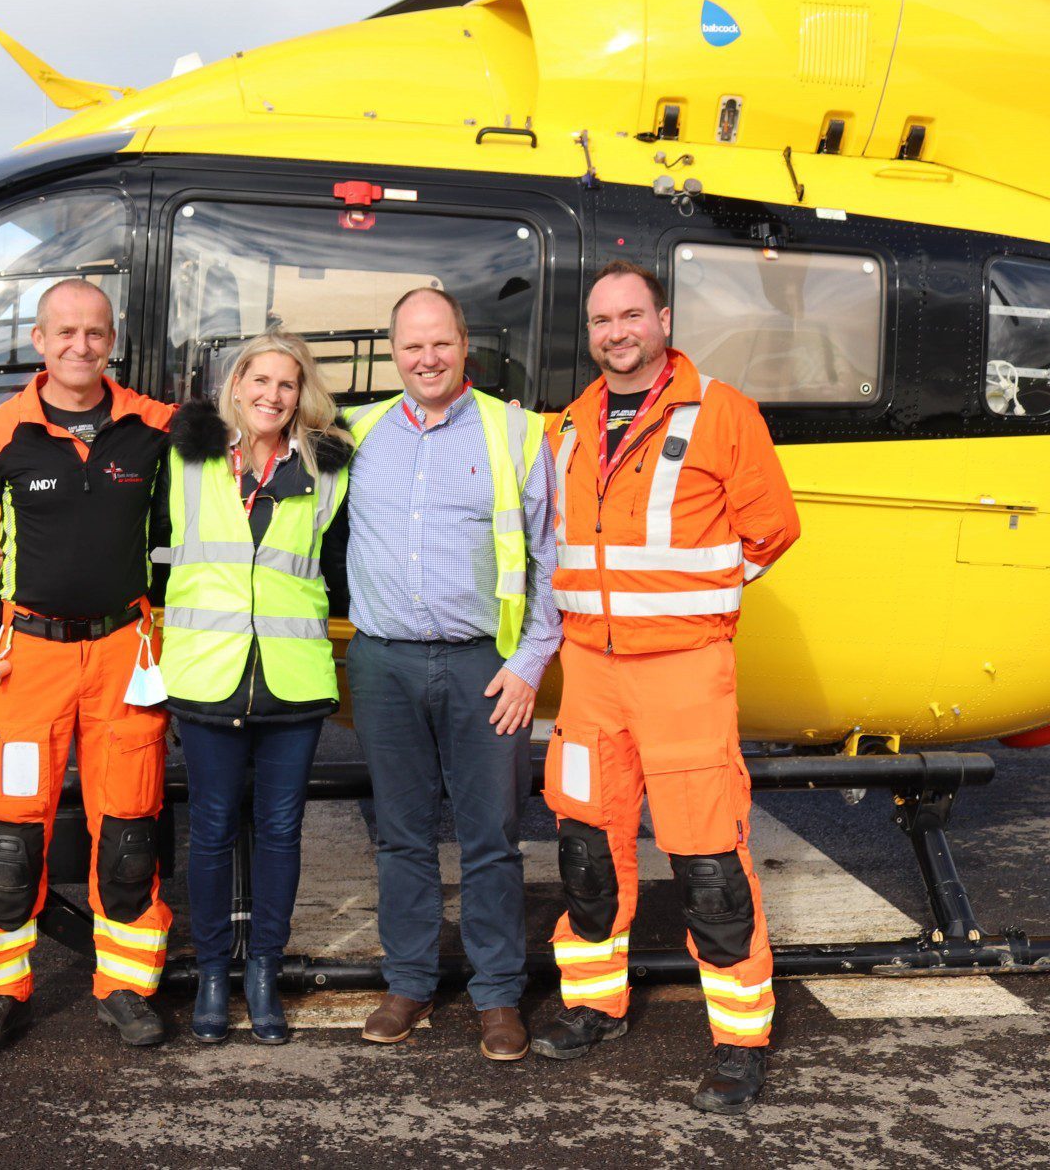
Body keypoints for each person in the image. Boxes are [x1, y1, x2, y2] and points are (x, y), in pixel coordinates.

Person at [531, 260, 801, 1114]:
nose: (617, 332)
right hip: (591, 675)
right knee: (585, 850)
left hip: (684, 674)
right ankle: (593, 1007)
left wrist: (698, 613)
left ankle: (740, 1039)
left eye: (632, 316)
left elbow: (771, 530)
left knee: (710, 862)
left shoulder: (723, 412)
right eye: (603, 320)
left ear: (663, 319)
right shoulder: (568, 426)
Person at [0, 277, 177, 1055]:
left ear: (113, 342)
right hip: (28, 661)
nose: (81, 346)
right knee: (10, 846)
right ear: (38, 341)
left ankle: (128, 990)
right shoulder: (0, 434)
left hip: (124, 652)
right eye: (65, 333)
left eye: (95, 333)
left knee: (130, 840)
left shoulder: (156, 428)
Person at [341, 286, 559, 1062]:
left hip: (484, 669)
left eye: (440, 343)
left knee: (492, 840)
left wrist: (530, 663)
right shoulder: (356, 431)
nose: (426, 359)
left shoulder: (516, 432)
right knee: (399, 836)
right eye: (410, 346)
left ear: (465, 344)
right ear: (392, 350)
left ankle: (498, 996)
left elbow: (549, 561)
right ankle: (408, 982)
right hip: (383, 661)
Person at [151, 330, 352, 1045]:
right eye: (259, 380)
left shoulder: (329, 467)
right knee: (207, 831)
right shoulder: (186, 454)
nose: (272, 395)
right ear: (234, 385)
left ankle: (262, 968)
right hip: (209, 674)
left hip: (293, 680)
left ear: (304, 395)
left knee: (279, 832)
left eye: (287, 384)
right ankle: (212, 973)